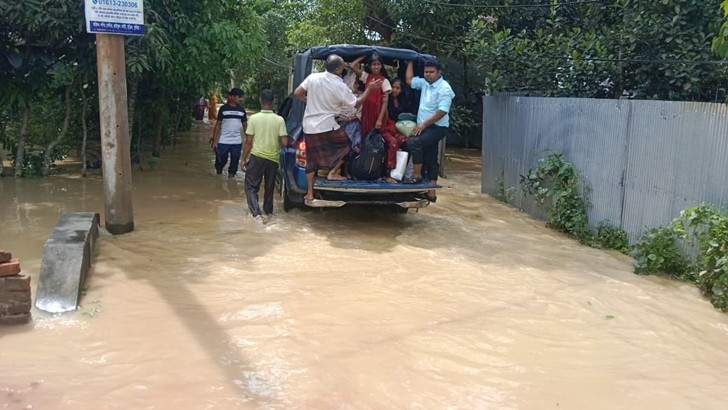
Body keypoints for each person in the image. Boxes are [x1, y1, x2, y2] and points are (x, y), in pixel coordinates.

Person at [293, 54, 382, 203]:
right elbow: (357, 103)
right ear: (339, 68)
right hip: (327, 125)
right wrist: (370, 89)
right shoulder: (339, 84)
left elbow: (297, 93)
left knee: (311, 160)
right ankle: (333, 172)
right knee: (348, 145)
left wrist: (309, 101)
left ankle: (310, 193)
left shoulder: (313, 77)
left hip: (309, 126)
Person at [404, 59, 455, 202]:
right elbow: (409, 80)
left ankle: (417, 176)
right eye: (426, 72)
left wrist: (422, 125)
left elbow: (442, 111)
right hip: (426, 126)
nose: (428, 75)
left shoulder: (444, 88)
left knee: (414, 142)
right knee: (432, 157)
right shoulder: (425, 83)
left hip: (437, 127)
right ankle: (431, 192)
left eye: (431, 72)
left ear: (439, 72)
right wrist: (409, 62)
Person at [241, 89, 288, 222]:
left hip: (257, 158)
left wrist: (243, 159)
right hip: (273, 159)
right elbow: (285, 142)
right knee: (269, 188)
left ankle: (256, 215)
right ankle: (268, 213)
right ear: (273, 102)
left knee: (250, 187)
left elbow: (249, 142)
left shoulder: (254, 119)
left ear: (260, 101)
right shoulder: (279, 120)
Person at [211, 88, 247, 178]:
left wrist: (249, 141)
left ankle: (231, 182)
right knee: (220, 162)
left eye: (242, 97)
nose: (241, 99)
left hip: (237, 142)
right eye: (239, 97)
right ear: (233, 97)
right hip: (223, 141)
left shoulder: (242, 110)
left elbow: (245, 126)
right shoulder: (223, 109)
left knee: (234, 165)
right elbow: (218, 125)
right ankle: (218, 179)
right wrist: (214, 141)